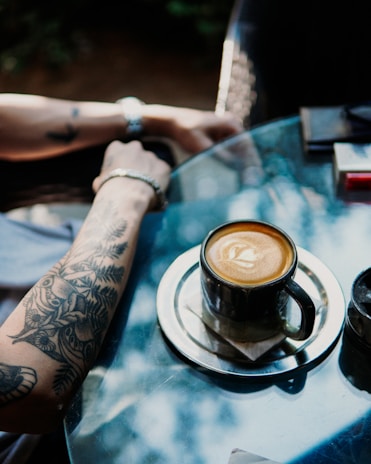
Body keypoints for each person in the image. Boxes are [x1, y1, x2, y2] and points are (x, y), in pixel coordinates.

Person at [0, 93, 243, 462]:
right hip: (56, 431)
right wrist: (126, 189)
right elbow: (31, 392)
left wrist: (152, 118)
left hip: (78, 257)